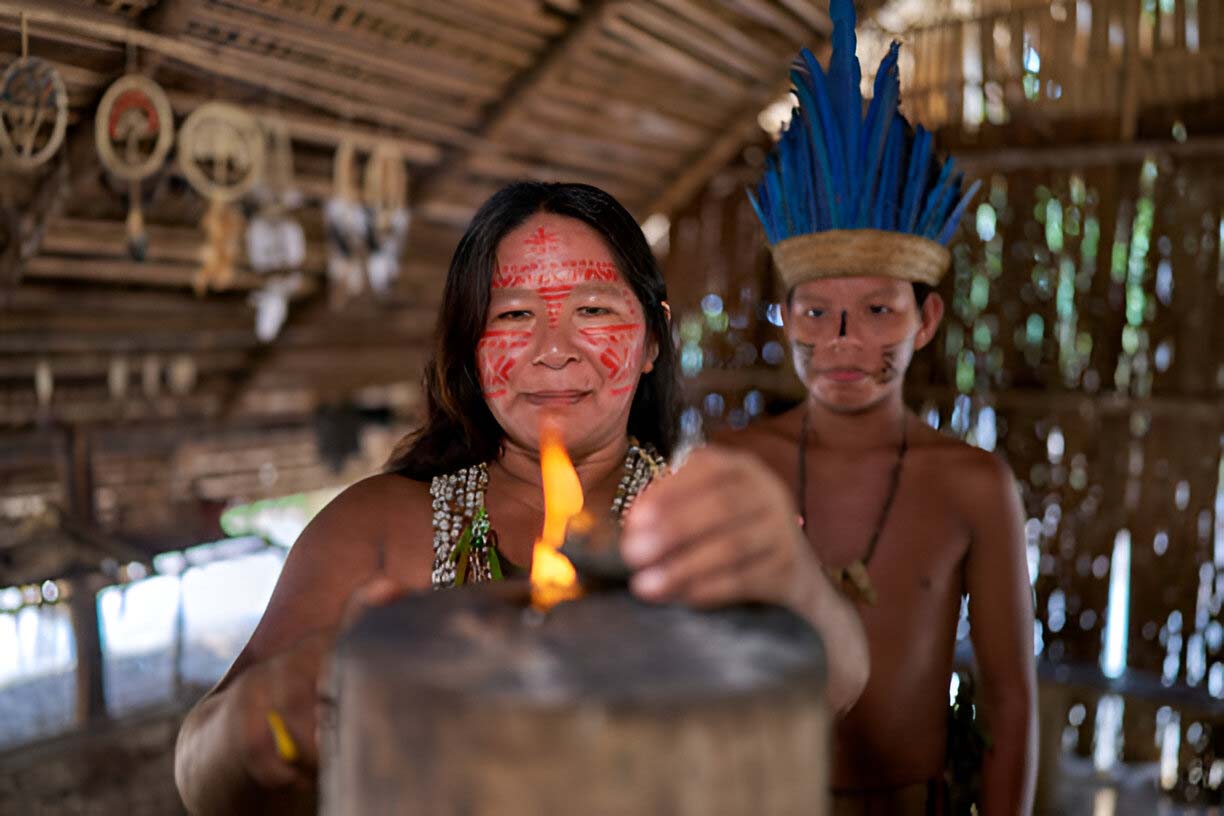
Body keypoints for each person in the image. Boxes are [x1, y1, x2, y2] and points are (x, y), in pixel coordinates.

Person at [173, 181, 869, 815]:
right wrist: (262, 721)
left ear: (653, 338)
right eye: (512, 315)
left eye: (592, 309)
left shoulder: (704, 530)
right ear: (471, 347)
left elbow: (839, 684)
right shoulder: (376, 527)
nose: (552, 350)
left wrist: (797, 587)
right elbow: (201, 773)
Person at [716, 2, 1038, 813]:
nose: (844, 339)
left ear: (926, 320)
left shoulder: (973, 485)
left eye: (879, 311)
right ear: (784, 318)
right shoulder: (738, 467)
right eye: (814, 311)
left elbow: (1010, 699)